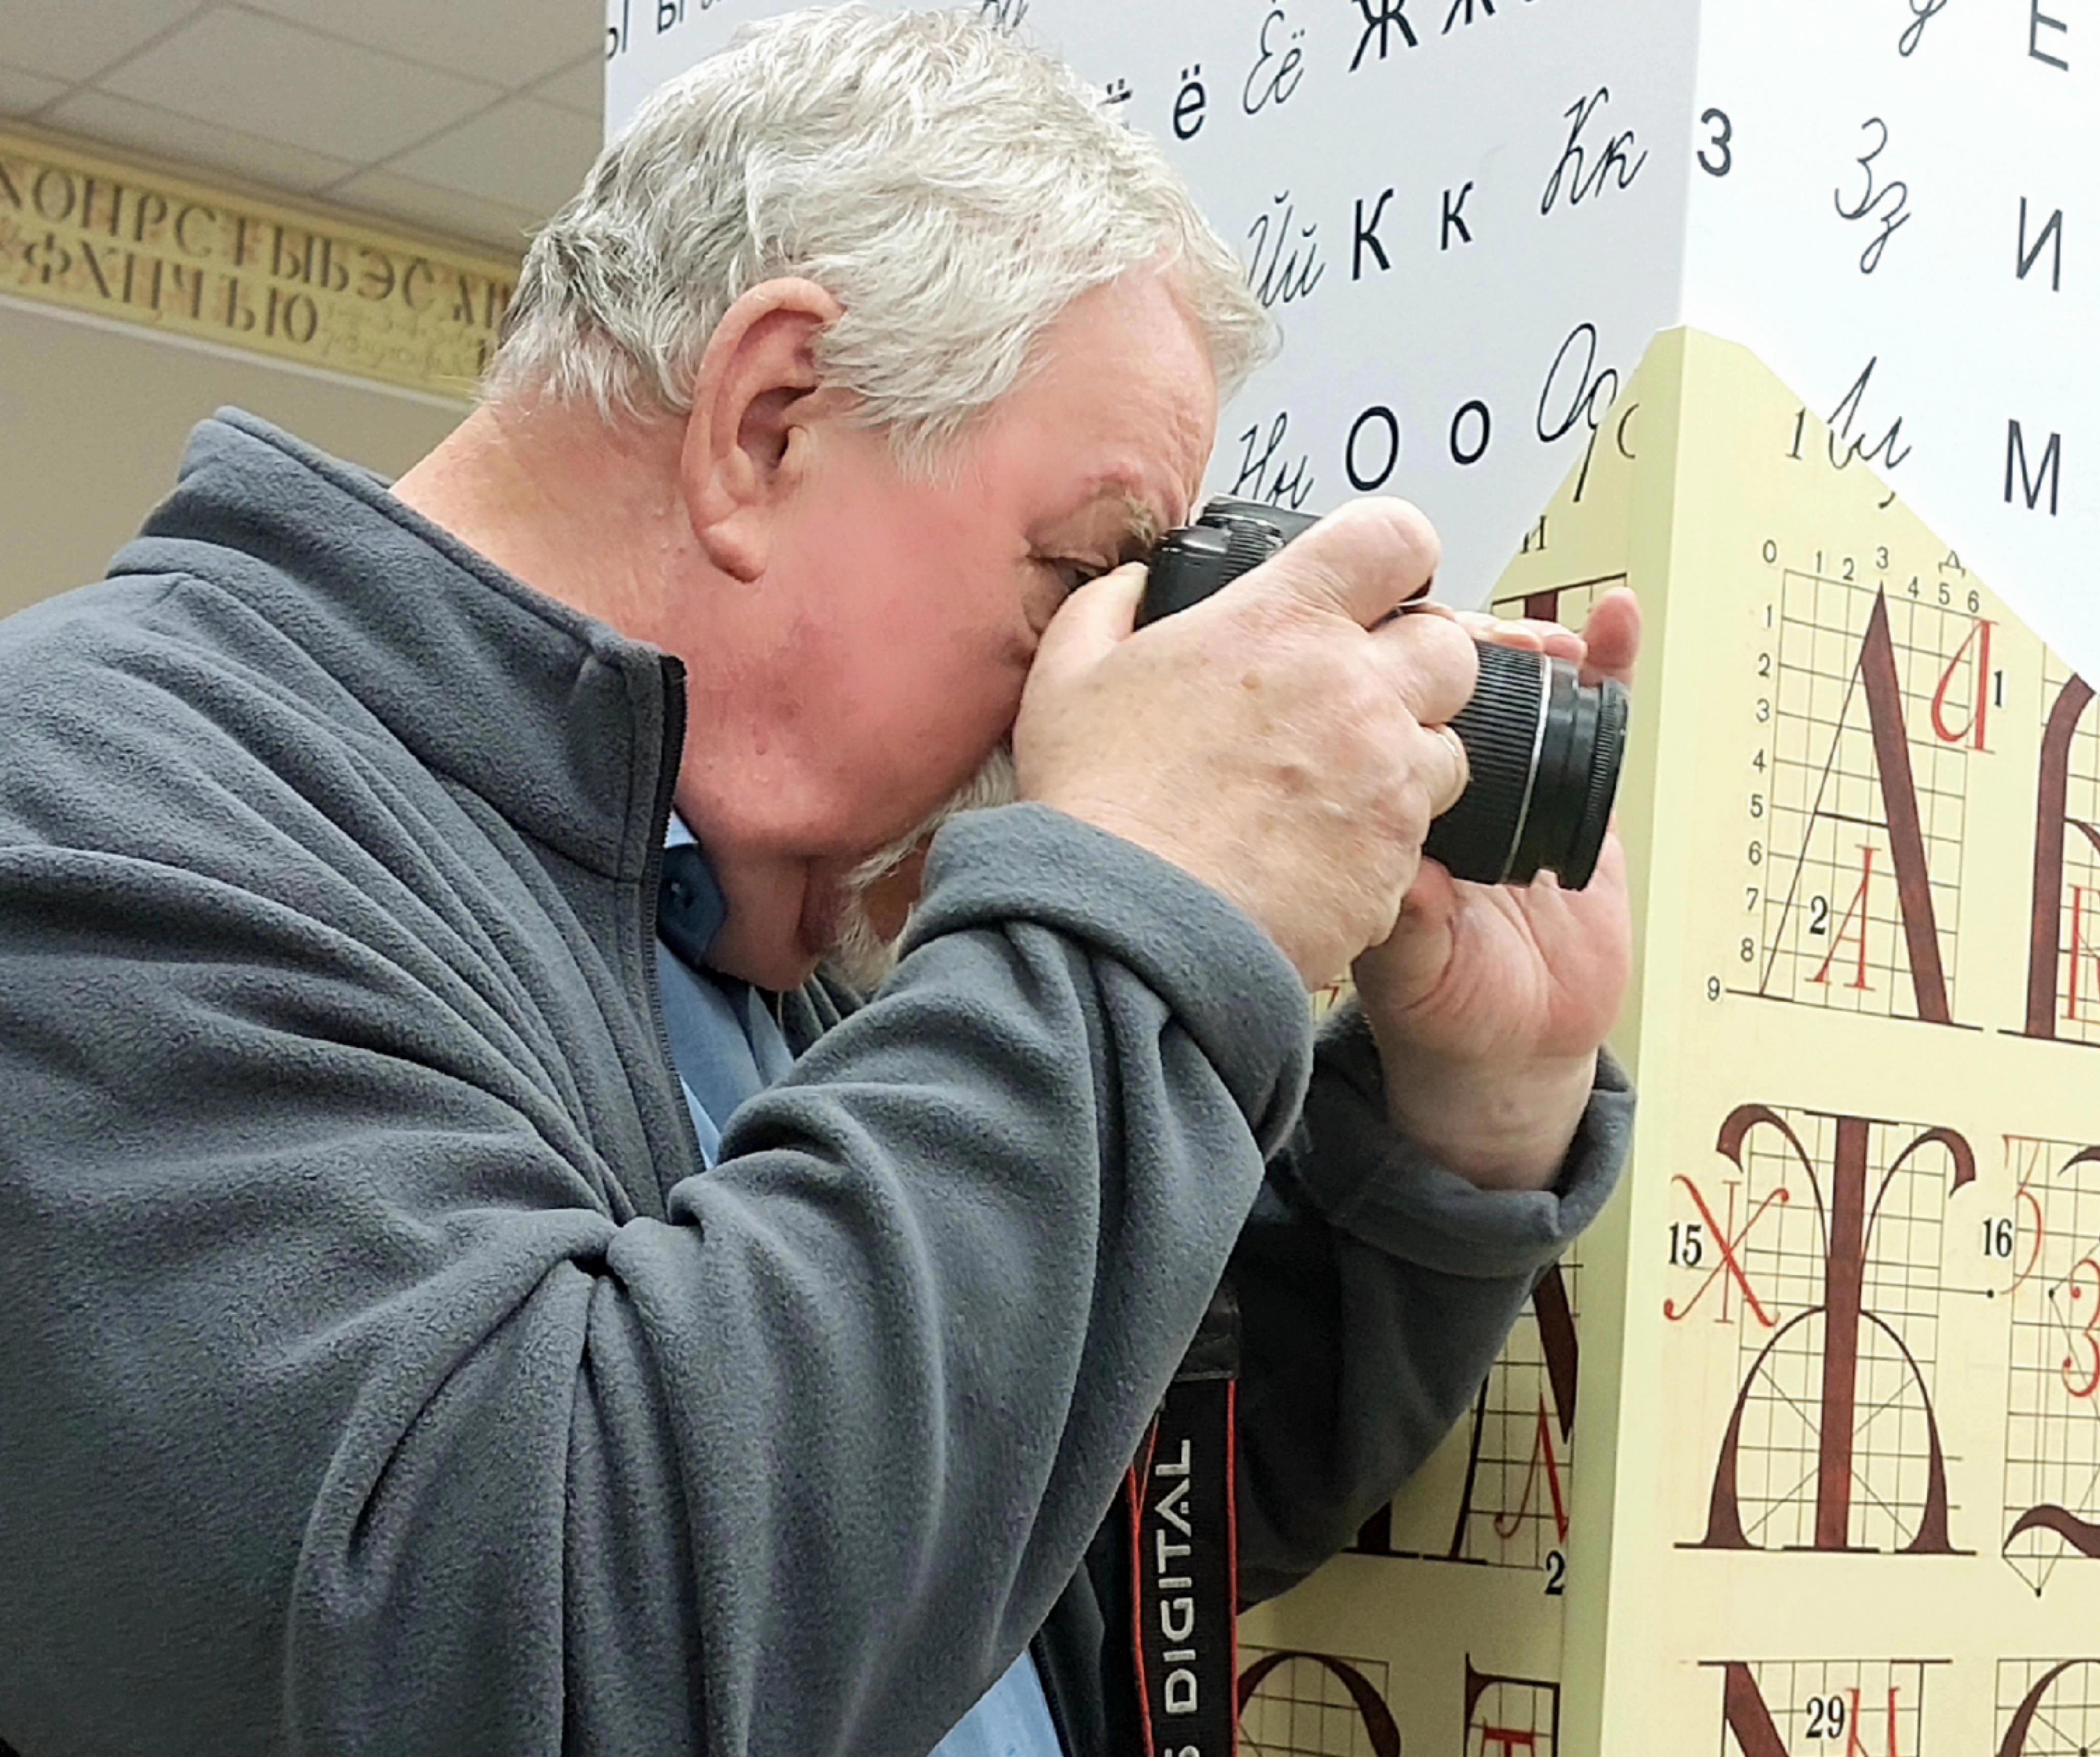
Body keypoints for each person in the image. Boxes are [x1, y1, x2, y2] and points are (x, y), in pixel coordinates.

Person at [0, 9, 1638, 1756]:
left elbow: (1008, 1521)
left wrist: (1471, 1116)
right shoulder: (98, 807)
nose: (1065, 697)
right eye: (1077, 574)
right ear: (769, 422)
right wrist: (1136, 889)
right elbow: (520, 1649)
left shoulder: (729, 910)